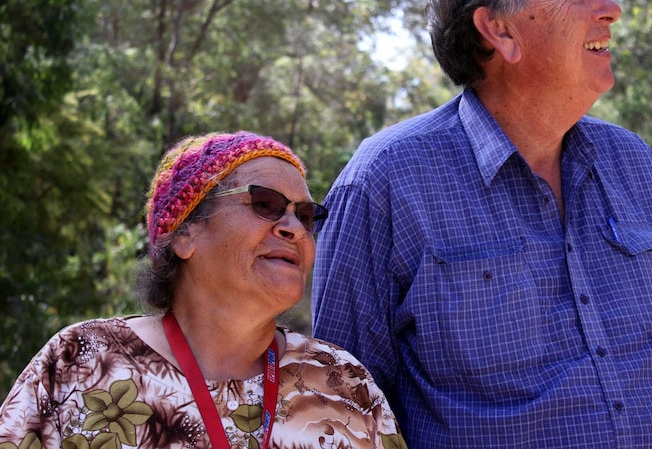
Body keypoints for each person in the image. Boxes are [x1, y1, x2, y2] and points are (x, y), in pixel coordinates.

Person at [311, 0, 652, 448]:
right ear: (499, 30)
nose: (611, 8)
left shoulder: (634, 166)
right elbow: (345, 421)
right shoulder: (385, 184)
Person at [0, 131, 406, 449]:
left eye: (304, 215)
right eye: (265, 203)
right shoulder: (81, 361)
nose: (295, 229)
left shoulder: (343, 382)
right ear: (185, 232)